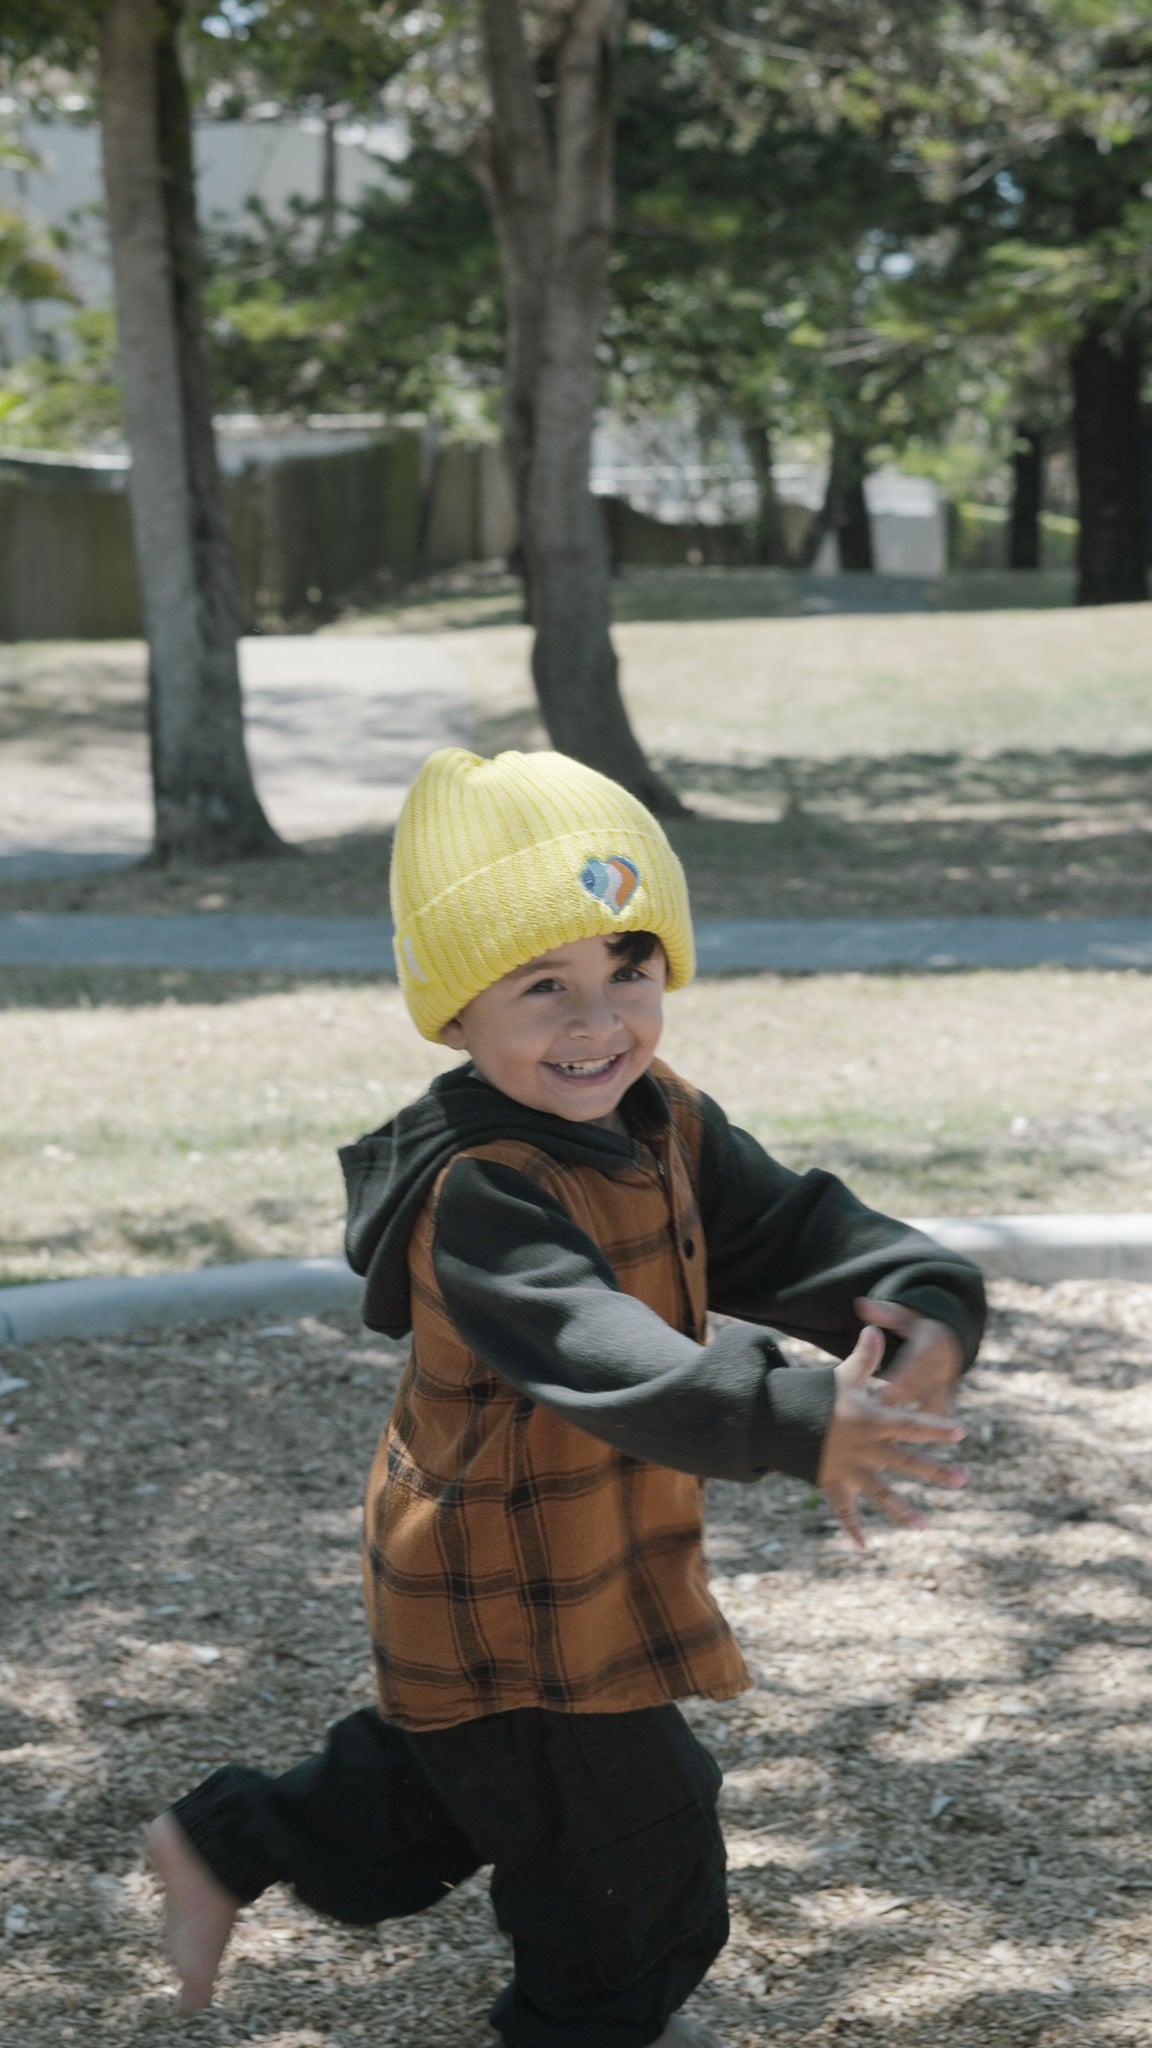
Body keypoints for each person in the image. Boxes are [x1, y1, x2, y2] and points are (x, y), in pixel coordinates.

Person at [147, 747, 985, 2048]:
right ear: (457, 1015)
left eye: (628, 971)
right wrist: (802, 1416)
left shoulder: (661, 1117)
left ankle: (222, 1842)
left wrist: (920, 1293)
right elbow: (597, 1348)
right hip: (508, 1583)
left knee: (446, 1788)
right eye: (544, 987)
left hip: (578, 1565)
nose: (599, 1024)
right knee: (633, 1863)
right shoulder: (480, 1188)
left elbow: (788, 1230)